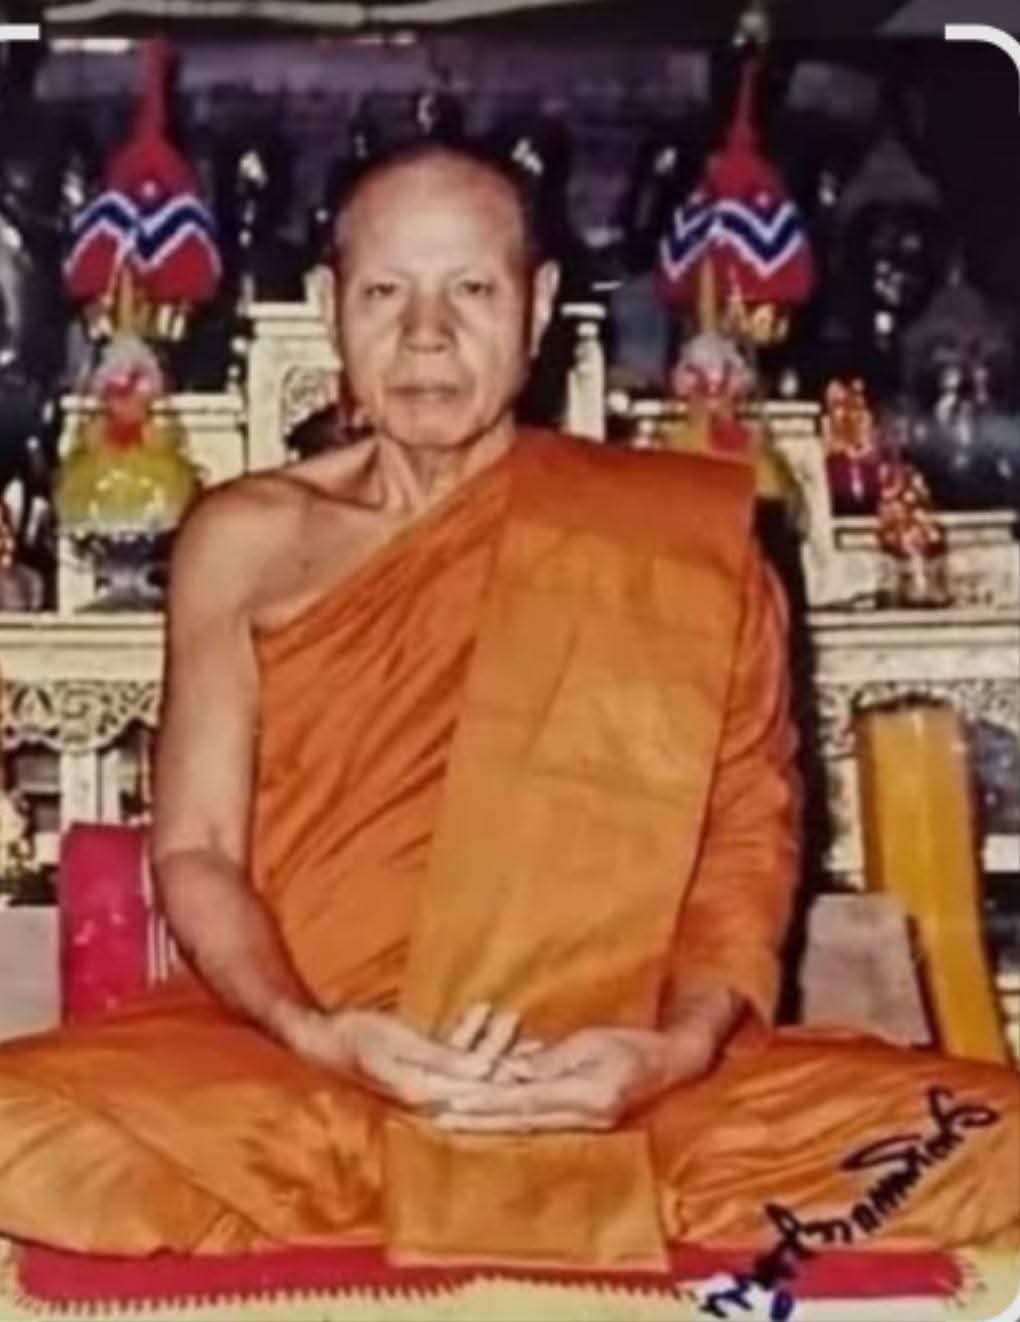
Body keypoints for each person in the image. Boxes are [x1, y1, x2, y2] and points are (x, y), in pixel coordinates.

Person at [0, 143, 1015, 1272]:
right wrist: (313, 1031)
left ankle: (449, 1185)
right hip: (307, 1070)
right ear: (331, 308)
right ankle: (462, 1183)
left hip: (617, 1083)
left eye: (472, 290)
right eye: (386, 293)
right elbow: (196, 848)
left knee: (991, 1140)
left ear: (537, 308)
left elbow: (745, 844)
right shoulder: (243, 541)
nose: (426, 335)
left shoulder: (671, 538)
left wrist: (669, 1051)